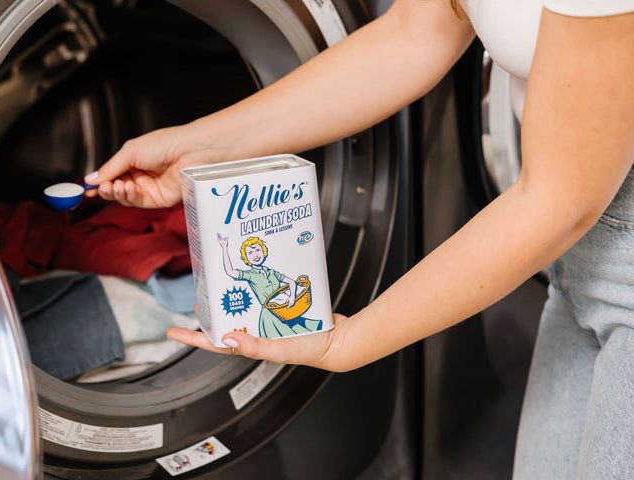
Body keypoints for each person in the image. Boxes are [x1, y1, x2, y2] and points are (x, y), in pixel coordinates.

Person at [83, 1, 634, 478]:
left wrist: (349, 341)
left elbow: (557, 202)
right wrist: (197, 148)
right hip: (581, 255)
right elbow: (416, 33)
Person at [218, 233, 323, 338]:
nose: (255, 255)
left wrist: (291, 297)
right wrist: (224, 248)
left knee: (306, 334)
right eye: (250, 252)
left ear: (263, 251)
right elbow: (230, 272)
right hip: (270, 316)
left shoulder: (271, 272)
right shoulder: (250, 275)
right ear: (246, 258)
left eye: (257, 250)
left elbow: (291, 282)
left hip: (284, 310)